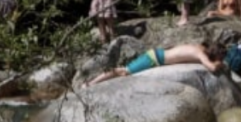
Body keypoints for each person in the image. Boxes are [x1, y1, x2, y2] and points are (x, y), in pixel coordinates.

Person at [87, 41, 226, 85]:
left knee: (124, 72)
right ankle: (91, 83)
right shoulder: (200, 53)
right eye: (220, 56)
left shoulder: (200, 47)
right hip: (154, 58)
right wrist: (219, 63)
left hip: (156, 56)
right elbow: (212, 68)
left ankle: (93, 83)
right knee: (123, 71)